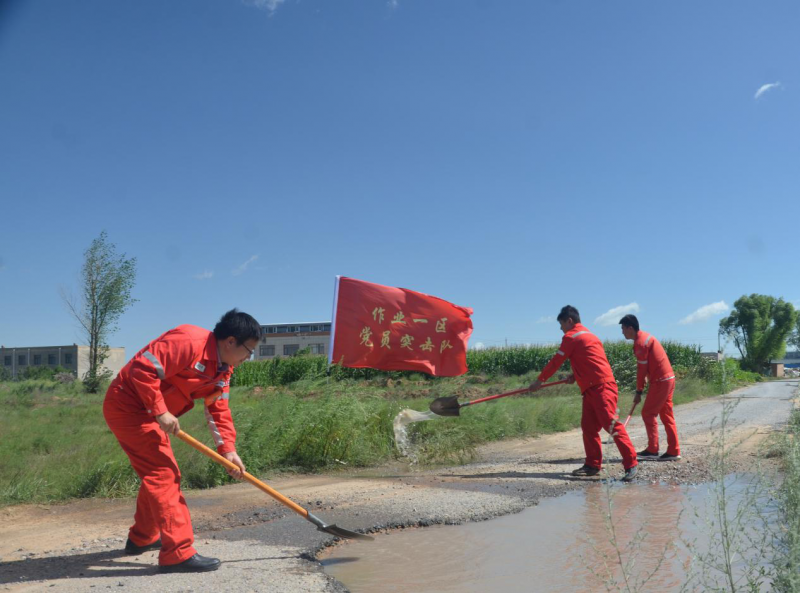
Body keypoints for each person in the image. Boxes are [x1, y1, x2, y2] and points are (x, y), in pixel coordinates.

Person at [103, 309, 260, 573]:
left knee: (157, 474)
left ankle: (142, 537)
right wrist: (160, 410)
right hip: (129, 406)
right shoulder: (189, 341)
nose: (248, 357)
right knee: (164, 474)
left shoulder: (223, 370)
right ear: (231, 341)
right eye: (249, 350)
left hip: (150, 412)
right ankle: (177, 553)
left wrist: (228, 451)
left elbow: (218, 409)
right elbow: (142, 368)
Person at [529, 305, 638, 482]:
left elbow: (556, 361)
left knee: (611, 425)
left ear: (569, 321)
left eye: (561, 324)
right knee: (588, 428)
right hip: (592, 387)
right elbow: (591, 360)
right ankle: (593, 465)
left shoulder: (571, 336)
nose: (561, 328)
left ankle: (631, 464)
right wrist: (576, 375)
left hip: (601, 387)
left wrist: (539, 381)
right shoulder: (590, 335)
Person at [619, 314, 681, 461]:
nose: (622, 332)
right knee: (666, 415)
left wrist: (639, 390)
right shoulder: (644, 338)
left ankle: (653, 449)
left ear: (630, 328)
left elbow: (641, 371)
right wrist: (642, 386)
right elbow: (646, 369)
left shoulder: (641, 343)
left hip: (661, 381)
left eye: (623, 329)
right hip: (668, 379)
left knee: (648, 413)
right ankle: (673, 450)